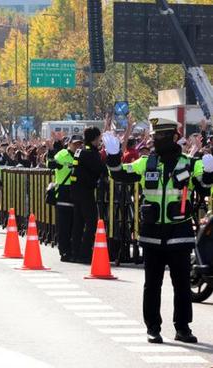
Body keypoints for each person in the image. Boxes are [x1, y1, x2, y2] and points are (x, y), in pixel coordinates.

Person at [103, 118, 213, 344]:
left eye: (162, 137)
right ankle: (153, 327)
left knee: (181, 284)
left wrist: (210, 172)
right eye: (155, 137)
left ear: (174, 138)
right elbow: (119, 174)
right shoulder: (146, 163)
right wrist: (113, 157)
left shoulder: (191, 164)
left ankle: (182, 328)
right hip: (152, 234)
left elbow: (203, 188)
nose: (157, 141)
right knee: (152, 285)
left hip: (179, 233)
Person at [70, 126, 105, 263]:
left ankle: (75, 252)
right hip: (85, 191)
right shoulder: (90, 153)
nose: (100, 141)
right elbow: (100, 168)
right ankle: (85, 253)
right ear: (95, 138)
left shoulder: (80, 150)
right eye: (99, 138)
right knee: (91, 223)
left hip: (76, 191)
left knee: (78, 223)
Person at [47, 134, 83, 262]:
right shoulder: (62, 155)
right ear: (69, 144)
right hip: (63, 194)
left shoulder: (82, 155)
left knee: (76, 226)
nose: (77, 146)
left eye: (80, 143)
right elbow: (51, 164)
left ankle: (74, 251)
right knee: (64, 226)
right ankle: (65, 252)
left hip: (78, 194)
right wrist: (50, 151)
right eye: (75, 143)